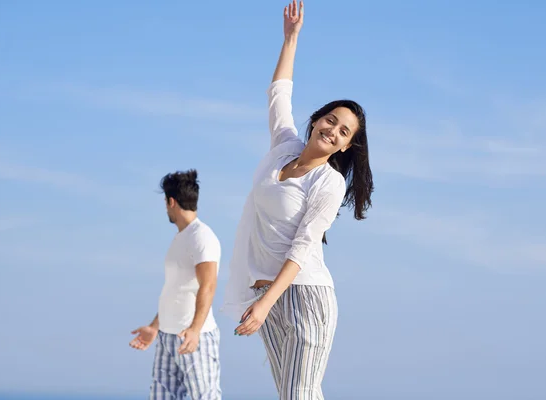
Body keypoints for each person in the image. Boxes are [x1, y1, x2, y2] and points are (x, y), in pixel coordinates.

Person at [221, 1, 374, 399]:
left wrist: (266, 305)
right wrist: (290, 39)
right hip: (264, 292)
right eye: (331, 120)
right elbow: (278, 95)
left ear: (345, 146)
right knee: (297, 394)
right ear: (317, 119)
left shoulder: (329, 183)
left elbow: (304, 247)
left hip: (305, 297)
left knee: (298, 395)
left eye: (343, 132)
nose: (333, 131)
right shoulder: (283, 148)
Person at [130, 170, 222, 400]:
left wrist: (195, 330)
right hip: (167, 335)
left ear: (171, 202)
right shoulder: (181, 238)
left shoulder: (202, 237)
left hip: (191, 337)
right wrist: (154, 326)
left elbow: (208, 285)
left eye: (165, 202)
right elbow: (176, 291)